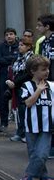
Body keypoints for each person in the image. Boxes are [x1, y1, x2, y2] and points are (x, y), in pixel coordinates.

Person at [19, 55, 54, 180]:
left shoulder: (51, 86)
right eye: (43, 69)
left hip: (47, 126)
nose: (47, 72)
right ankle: (44, 177)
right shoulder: (27, 86)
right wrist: (38, 90)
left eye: (48, 69)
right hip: (31, 126)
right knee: (35, 154)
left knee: (42, 154)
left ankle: (27, 177)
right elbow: (28, 103)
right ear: (33, 71)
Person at [7, 38, 33, 142]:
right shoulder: (18, 58)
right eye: (19, 45)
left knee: (26, 111)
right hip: (17, 87)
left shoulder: (31, 58)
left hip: (26, 86)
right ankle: (20, 132)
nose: (19, 47)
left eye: (22, 45)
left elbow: (28, 74)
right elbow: (15, 72)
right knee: (19, 111)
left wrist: (15, 82)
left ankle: (27, 134)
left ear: (28, 47)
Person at [36, 14, 54, 158]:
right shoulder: (43, 42)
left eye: (40, 25)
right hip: (48, 82)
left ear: (47, 27)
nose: (37, 28)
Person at [0, 28, 19, 132]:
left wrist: (7, 59)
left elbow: (18, 57)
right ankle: (3, 123)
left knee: (18, 99)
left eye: (11, 34)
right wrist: (11, 58)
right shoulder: (0, 47)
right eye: (7, 35)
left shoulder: (19, 45)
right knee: (3, 100)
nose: (9, 36)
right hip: (3, 76)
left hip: (17, 76)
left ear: (15, 35)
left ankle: (20, 125)